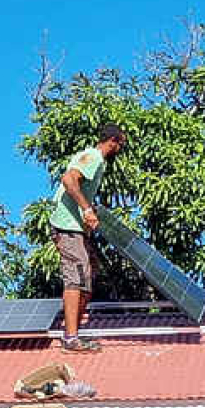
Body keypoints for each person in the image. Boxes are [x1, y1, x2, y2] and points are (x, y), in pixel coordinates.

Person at [49, 123, 128, 353]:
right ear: (112, 141)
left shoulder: (97, 162)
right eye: (120, 144)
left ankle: (73, 330)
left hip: (78, 229)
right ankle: (71, 338)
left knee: (89, 275)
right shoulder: (92, 156)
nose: (120, 150)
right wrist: (86, 210)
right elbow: (68, 180)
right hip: (67, 228)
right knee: (75, 277)